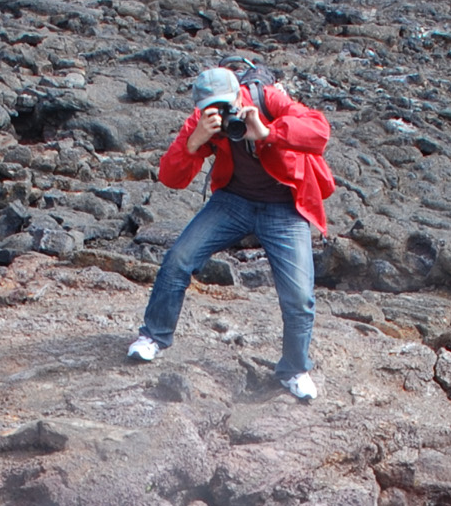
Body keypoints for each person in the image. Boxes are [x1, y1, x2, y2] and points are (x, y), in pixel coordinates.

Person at [127, 61, 333, 400]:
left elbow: (319, 131)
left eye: (228, 102)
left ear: (240, 93)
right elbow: (170, 178)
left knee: (299, 296)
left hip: (283, 206)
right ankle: (153, 336)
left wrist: (268, 131)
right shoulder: (202, 121)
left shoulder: (267, 100)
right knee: (179, 259)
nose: (224, 111)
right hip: (234, 201)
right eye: (213, 107)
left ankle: (294, 369)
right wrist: (194, 141)